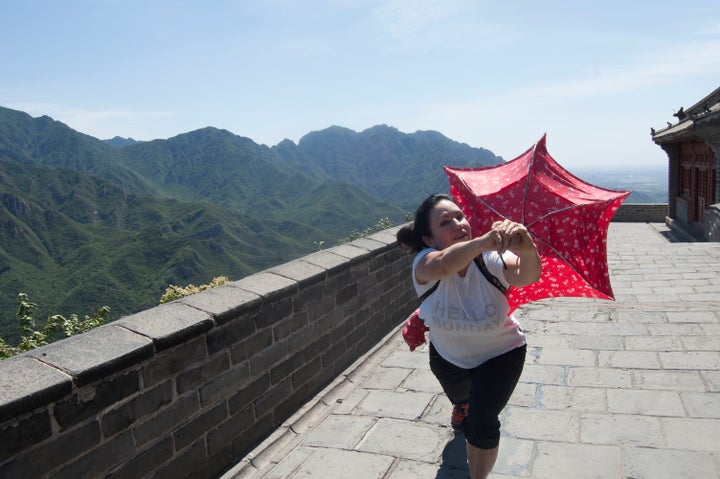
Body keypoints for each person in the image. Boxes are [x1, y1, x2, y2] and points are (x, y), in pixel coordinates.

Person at [396, 193, 541, 479]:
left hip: (501, 353)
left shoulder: (490, 259)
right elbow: (443, 267)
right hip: (449, 359)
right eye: (446, 222)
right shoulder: (424, 262)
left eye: (460, 217)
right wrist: (486, 240)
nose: (458, 224)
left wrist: (527, 248)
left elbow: (527, 275)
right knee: (462, 399)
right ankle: (461, 405)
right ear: (428, 239)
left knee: (481, 421)